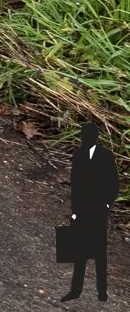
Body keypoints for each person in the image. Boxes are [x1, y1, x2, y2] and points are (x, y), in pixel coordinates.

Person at [66, 120, 119, 302]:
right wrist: (74, 210)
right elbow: (76, 185)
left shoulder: (106, 156)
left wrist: (106, 204)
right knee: (79, 251)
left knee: (99, 253)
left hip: (98, 209)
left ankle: (101, 292)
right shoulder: (79, 155)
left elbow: (114, 183)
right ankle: (75, 291)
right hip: (82, 209)